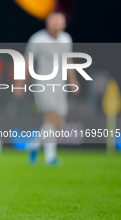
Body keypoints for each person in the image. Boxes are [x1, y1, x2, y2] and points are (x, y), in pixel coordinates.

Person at [14, 12, 79, 165]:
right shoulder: (38, 39)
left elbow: (68, 60)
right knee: (51, 116)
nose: (58, 23)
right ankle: (51, 157)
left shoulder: (66, 39)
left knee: (58, 121)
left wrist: (73, 80)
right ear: (48, 22)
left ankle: (34, 145)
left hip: (60, 84)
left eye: (60, 21)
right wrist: (19, 84)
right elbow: (27, 62)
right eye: (55, 20)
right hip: (43, 84)